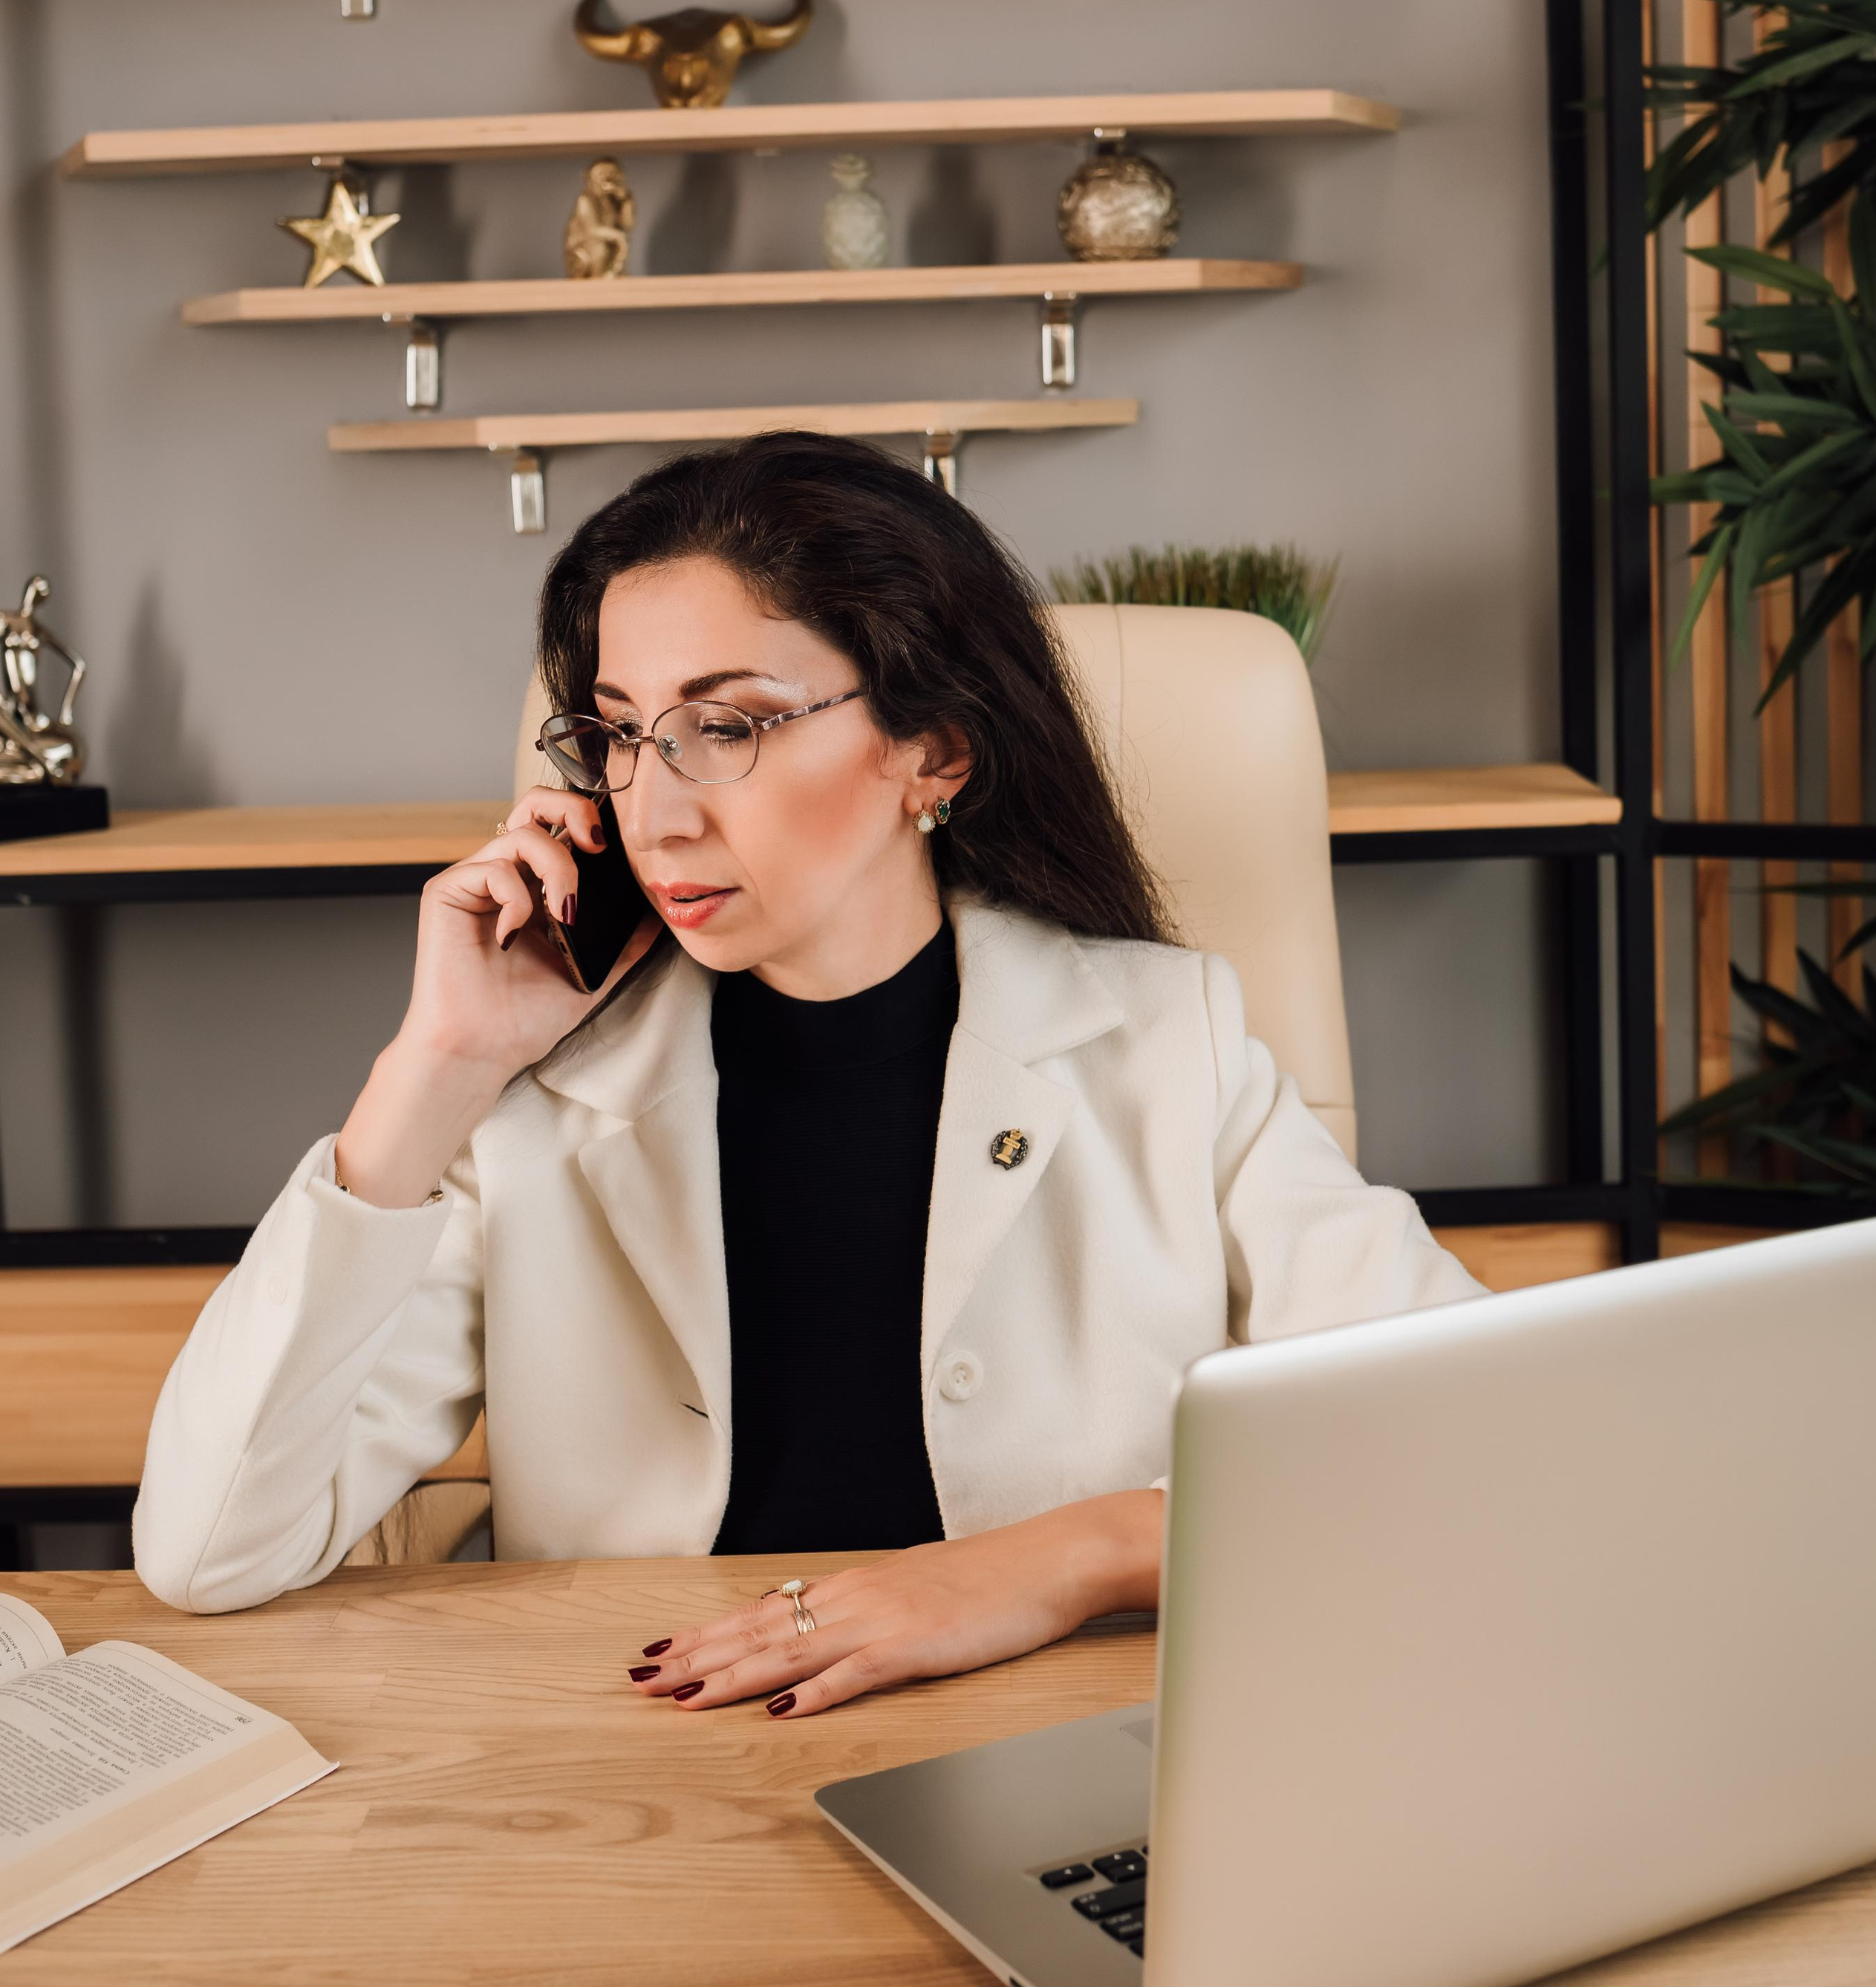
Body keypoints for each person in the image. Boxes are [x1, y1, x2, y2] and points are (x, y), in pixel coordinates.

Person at [134, 433, 1483, 1713]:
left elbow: (1465, 1445)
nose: (654, 808)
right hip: (636, 1772)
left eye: (727, 727)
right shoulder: (538, 1101)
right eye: (619, 732)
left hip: (1066, 1742)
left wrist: (1072, 1560)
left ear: (932, 753)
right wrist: (434, 1065)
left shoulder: (1163, 1045)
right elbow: (208, 1549)